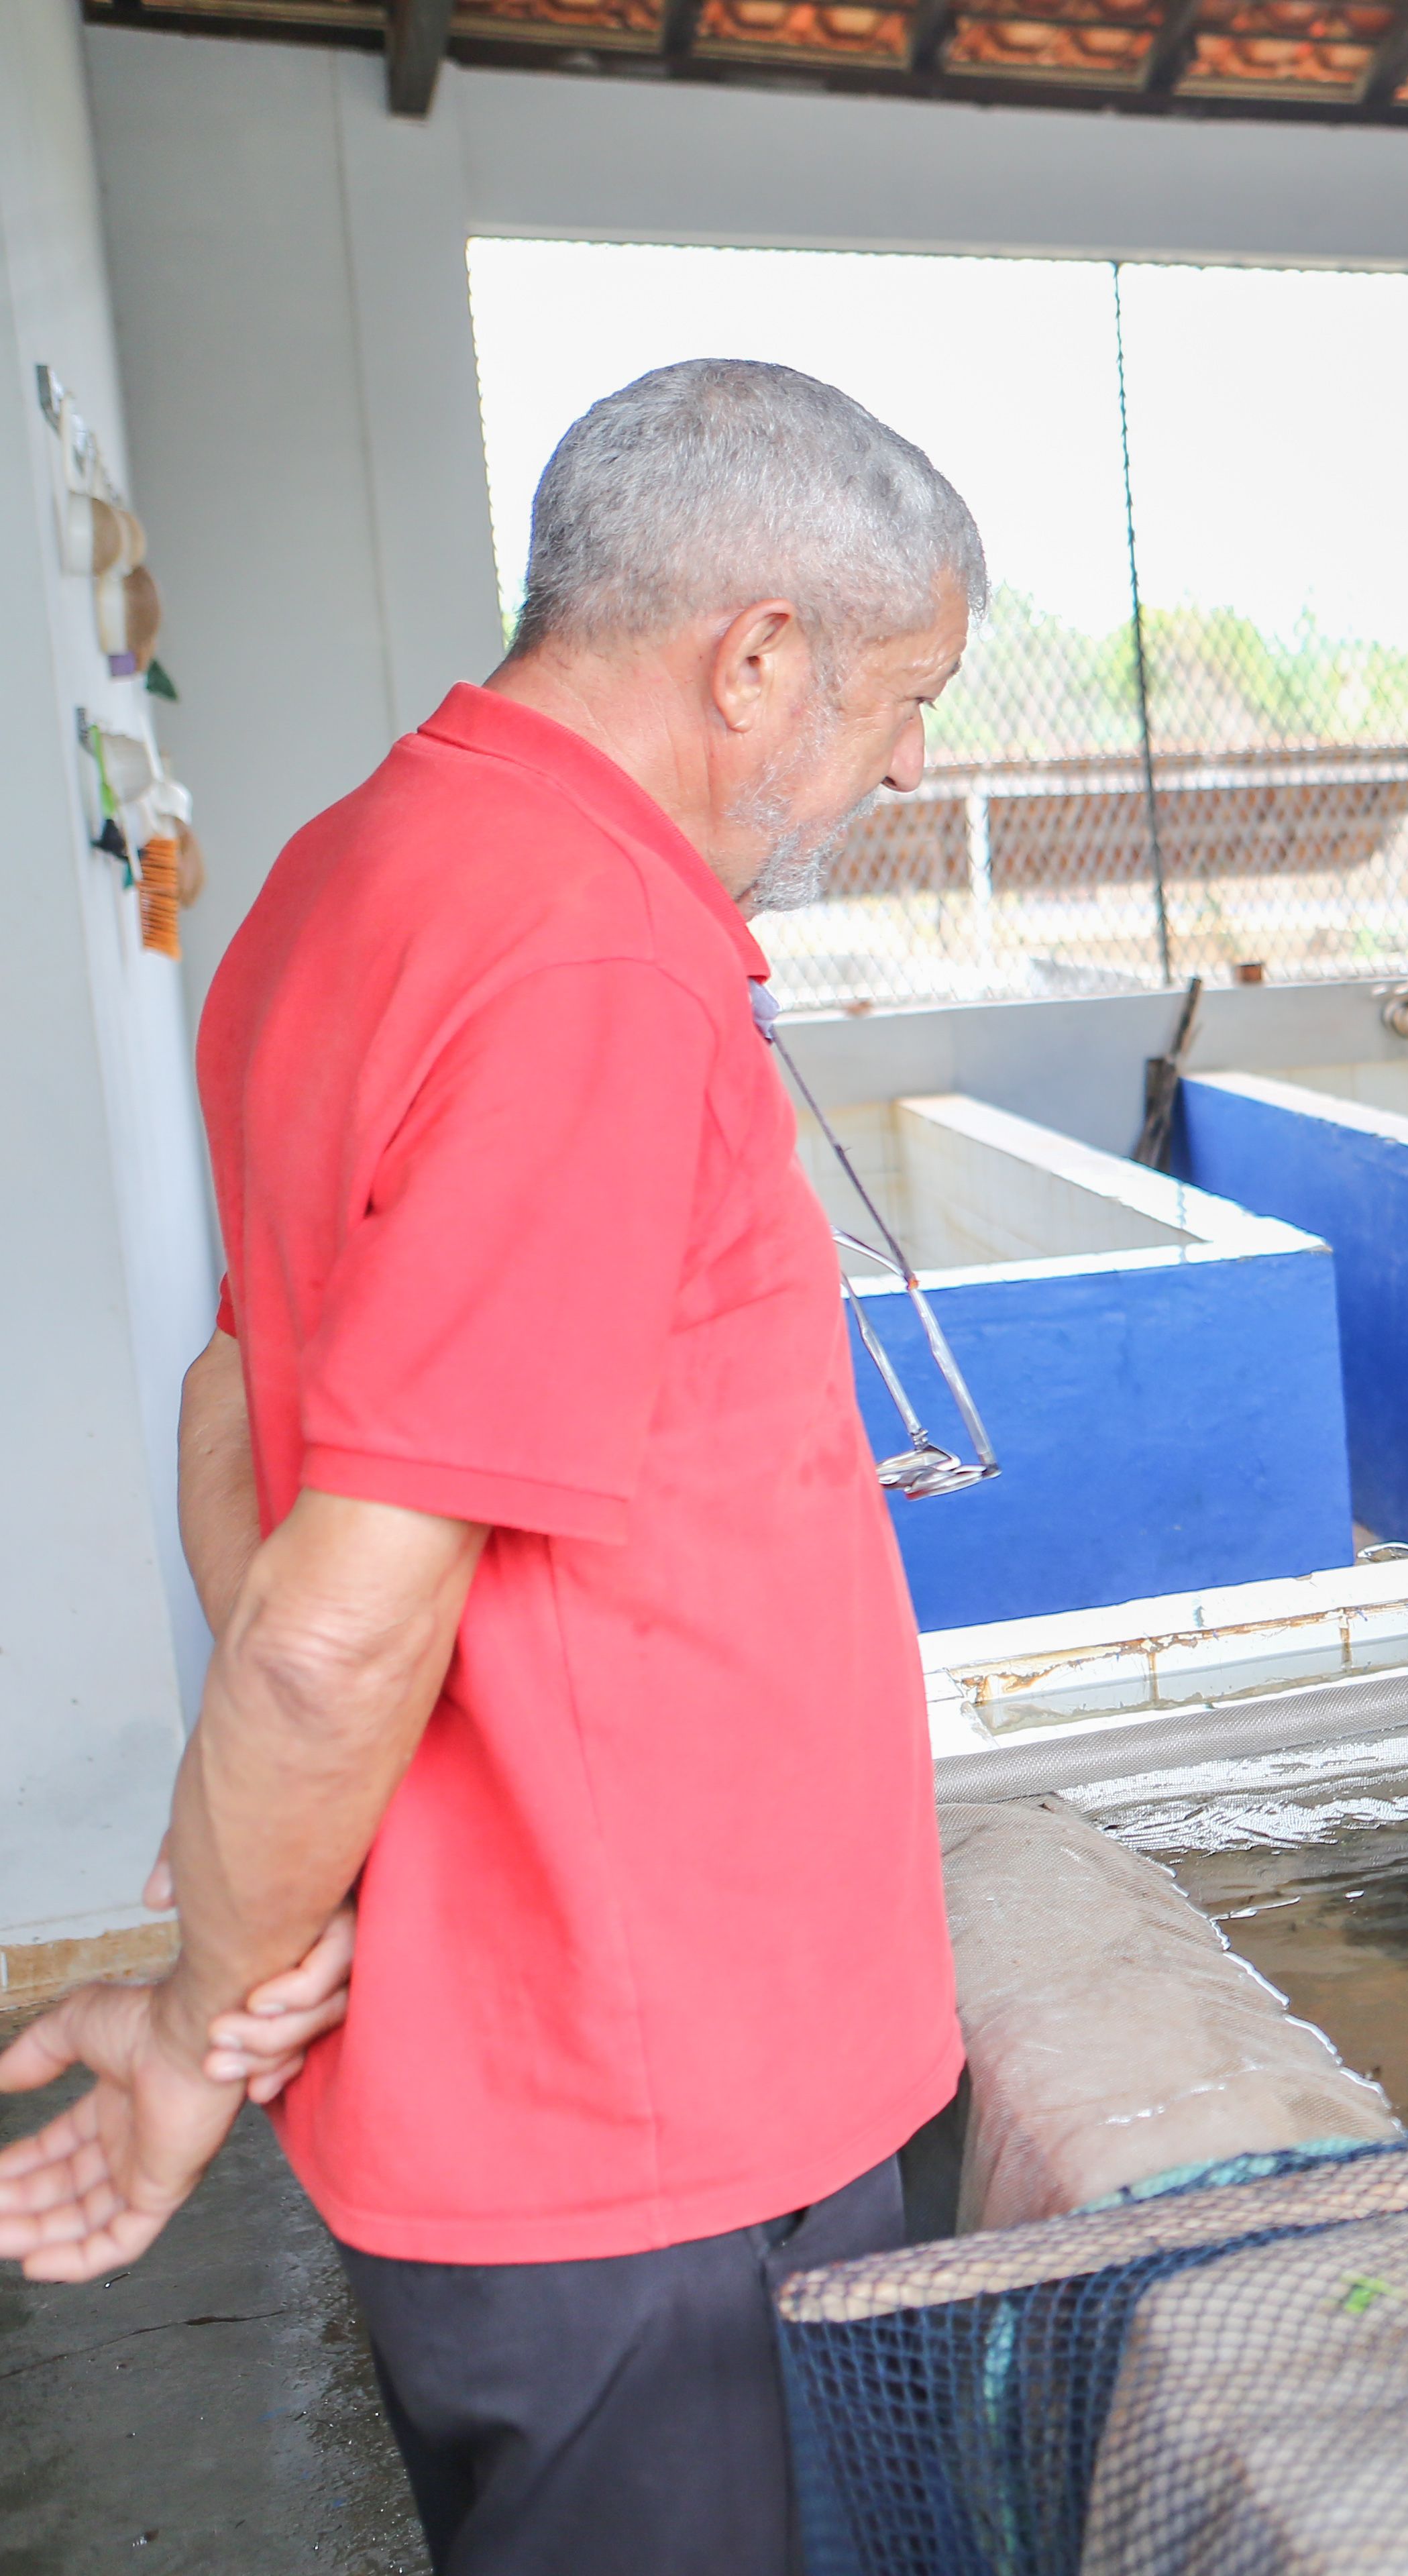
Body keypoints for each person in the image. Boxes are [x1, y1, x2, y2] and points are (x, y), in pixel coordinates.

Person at [0, 360, 981, 2573]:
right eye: (903, 693)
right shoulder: (592, 963)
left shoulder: (358, 872)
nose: (912, 755)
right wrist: (193, 2016)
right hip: (666, 2134)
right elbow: (345, 1618)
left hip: (497, 2104)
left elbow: (235, 1415)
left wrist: (293, 1925)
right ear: (756, 659)